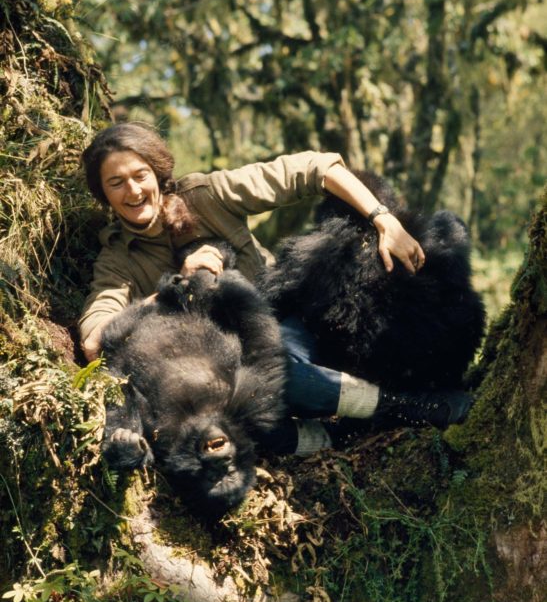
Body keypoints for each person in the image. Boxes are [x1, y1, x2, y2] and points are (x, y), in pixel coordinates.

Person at [79, 122, 471, 455]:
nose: (132, 191)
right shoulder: (117, 258)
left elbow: (315, 168)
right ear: (104, 195)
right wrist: (175, 291)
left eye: (139, 175)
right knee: (250, 414)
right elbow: (95, 339)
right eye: (116, 183)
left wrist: (384, 221)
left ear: (157, 172)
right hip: (237, 359)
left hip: (289, 314)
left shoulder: (205, 195)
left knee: (287, 372)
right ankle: (354, 430)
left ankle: (412, 407)